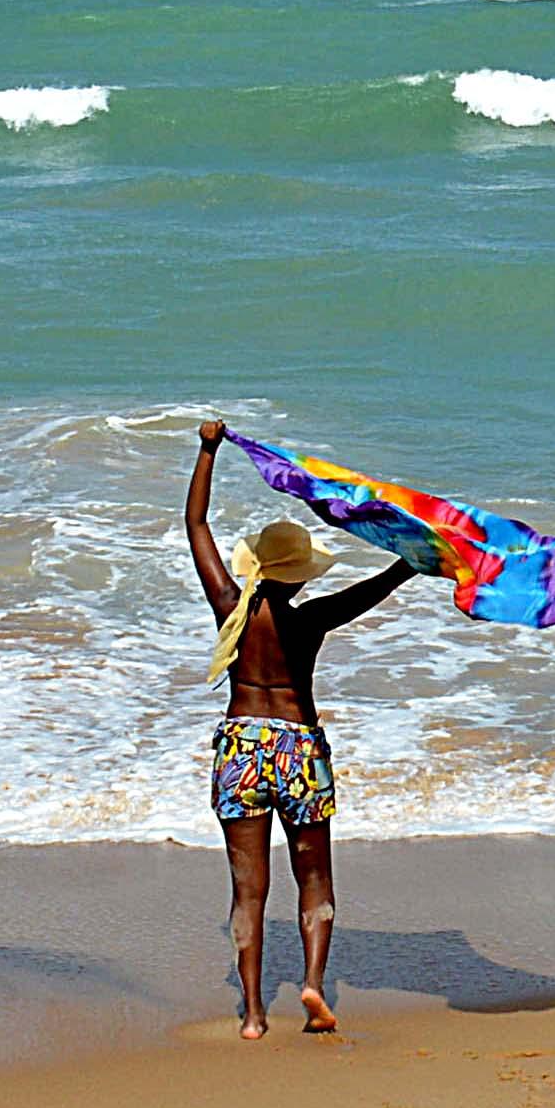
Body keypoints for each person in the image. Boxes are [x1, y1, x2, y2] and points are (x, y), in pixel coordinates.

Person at [183, 419, 412, 1039]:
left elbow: (196, 526)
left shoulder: (230, 605)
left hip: (241, 748)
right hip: (299, 751)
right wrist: (414, 559)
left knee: (247, 891)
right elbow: (375, 589)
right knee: (314, 878)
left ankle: (254, 1015)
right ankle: (312, 983)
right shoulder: (312, 620)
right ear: (302, 576)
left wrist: (208, 451)